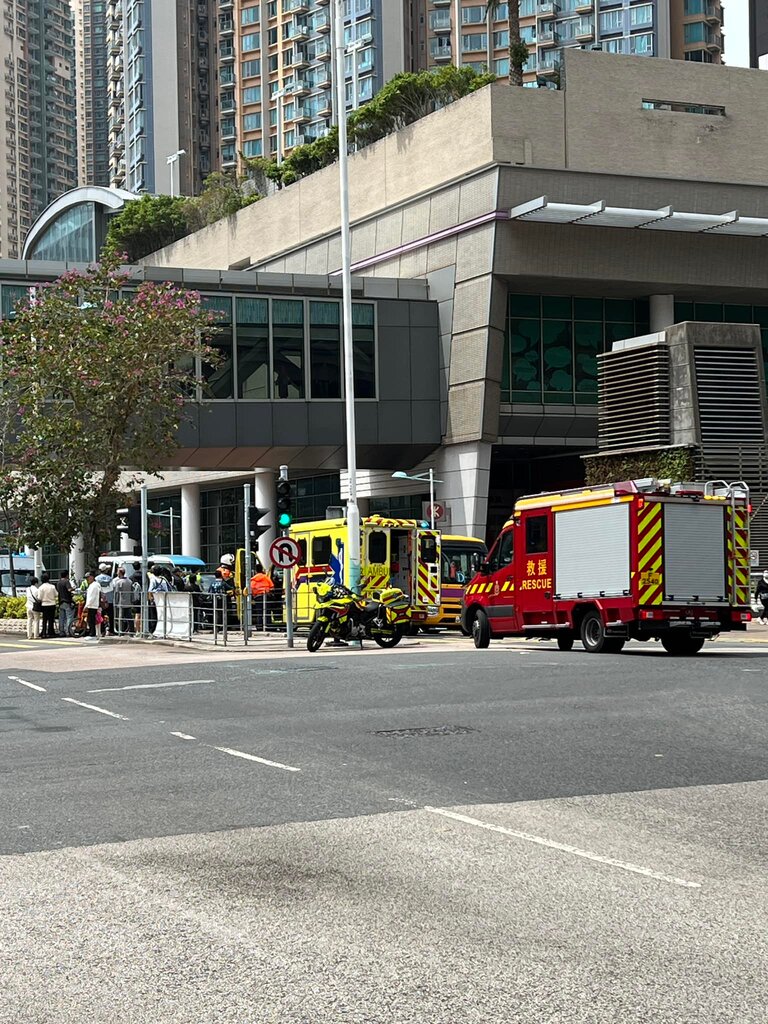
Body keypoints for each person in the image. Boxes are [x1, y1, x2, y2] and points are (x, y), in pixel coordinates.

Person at [112, 567, 134, 634]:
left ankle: (120, 631)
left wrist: (115, 603)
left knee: (120, 618)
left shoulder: (118, 582)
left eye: (118, 571)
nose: (117, 573)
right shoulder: (129, 581)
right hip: (128, 602)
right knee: (129, 618)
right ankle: (131, 631)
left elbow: (116, 594)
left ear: (120, 573)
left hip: (121, 603)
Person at [95, 562, 114, 636]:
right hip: (109, 599)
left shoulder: (96, 579)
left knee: (100, 616)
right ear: (106, 570)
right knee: (111, 616)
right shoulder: (110, 578)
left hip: (100, 600)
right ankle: (110, 631)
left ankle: (102, 630)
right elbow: (112, 588)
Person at [37, 573, 57, 639]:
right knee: (51, 619)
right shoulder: (52, 586)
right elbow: (56, 594)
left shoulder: (41, 587)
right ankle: (51, 632)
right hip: (52, 604)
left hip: (44, 605)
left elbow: (39, 598)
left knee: (45, 620)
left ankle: (44, 633)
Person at [56, 570, 75, 638]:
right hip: (67, 601)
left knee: (61, 618)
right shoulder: (66, 581)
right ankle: (68, 631)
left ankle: (61, 631)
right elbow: (69, 589)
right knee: (69, 617)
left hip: (60, 601)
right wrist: (73, 589)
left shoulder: (58, 582)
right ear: (67, 575)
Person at [84, 571, 101, 638]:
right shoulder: (93, 585)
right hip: (92, 605)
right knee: (91, 620)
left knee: (91, 620)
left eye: (88, 578)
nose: (87, 579)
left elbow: (91, 597)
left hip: (92, 605)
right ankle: (93, 633)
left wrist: (87, 605)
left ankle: (92, 634)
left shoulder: (94, 586)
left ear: (92, 577)